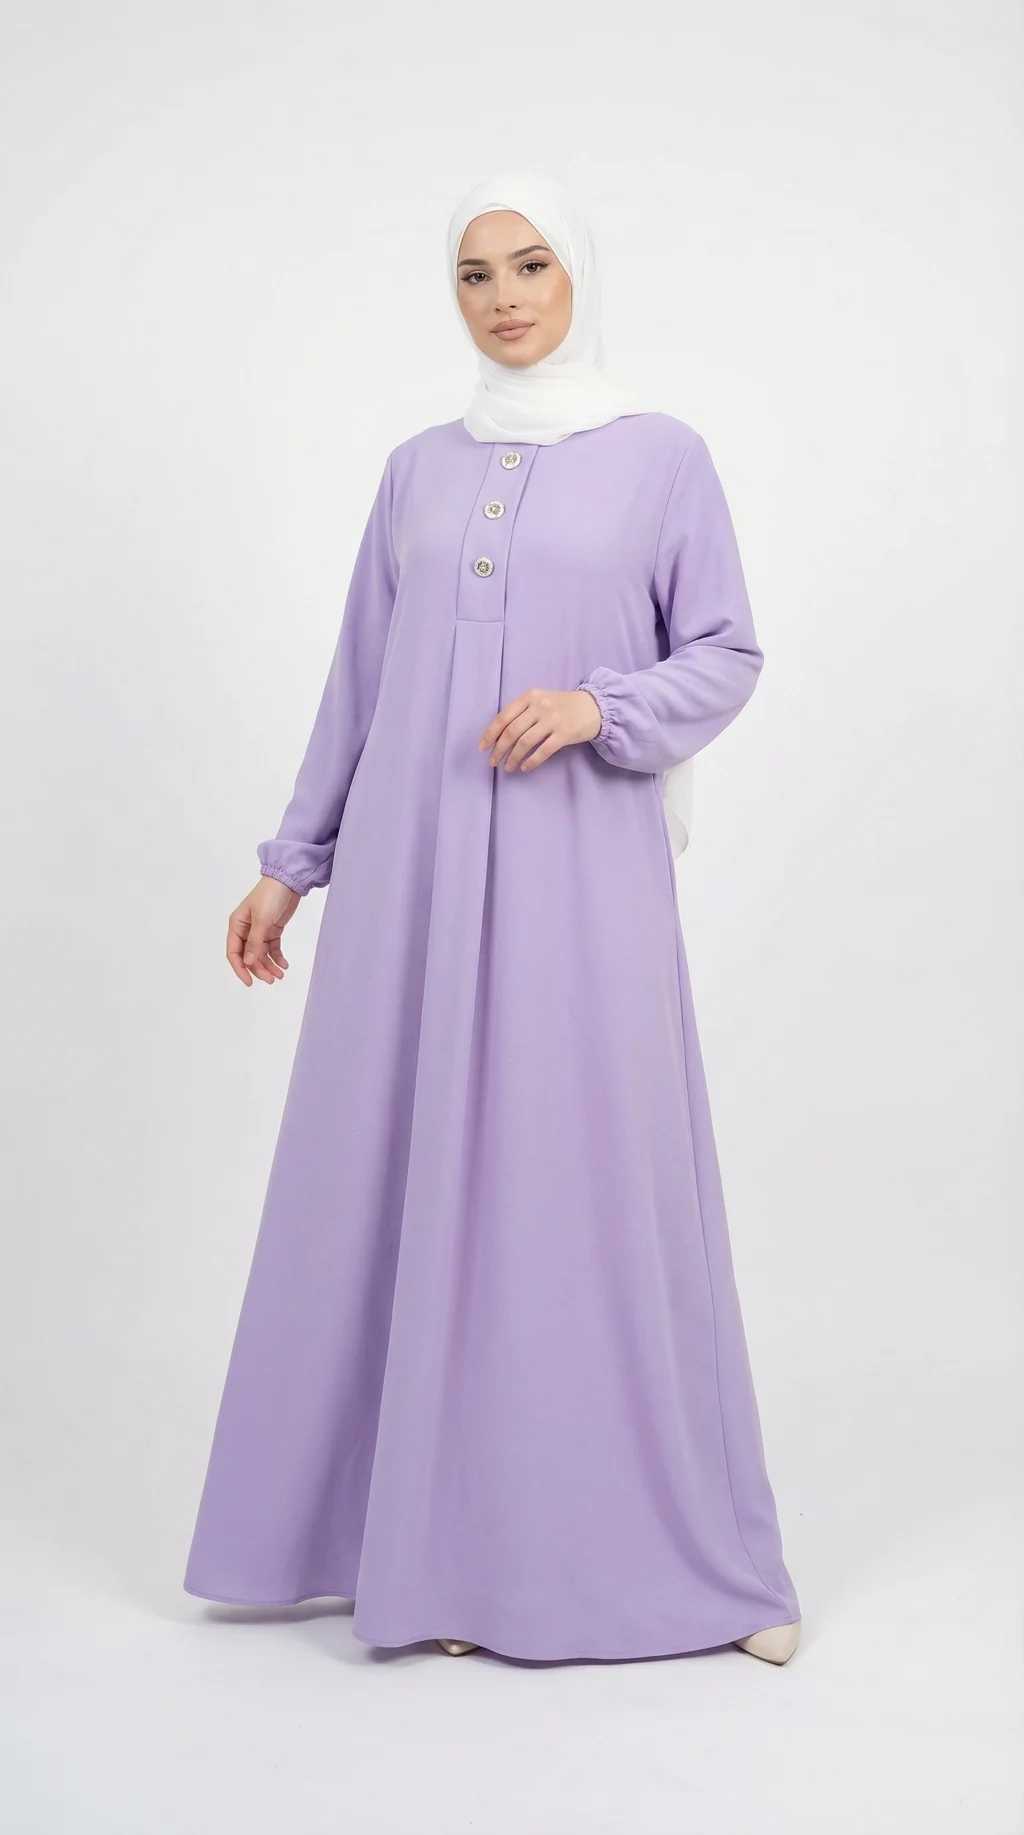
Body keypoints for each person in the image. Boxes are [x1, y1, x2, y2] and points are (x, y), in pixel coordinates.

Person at [183, 170, 803, 1667]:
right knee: (401, 1184)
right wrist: (292, 862)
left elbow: (727, 650)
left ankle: (685, 1561)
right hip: (411, 877)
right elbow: (363, 677)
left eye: (531, 266)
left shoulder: (662, 457)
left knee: (580, 1186)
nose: (505, 298)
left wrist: (601, 705)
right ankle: (436, 1561)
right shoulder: (417, 470)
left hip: (578, 876)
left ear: (576, 276)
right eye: (475, 274)